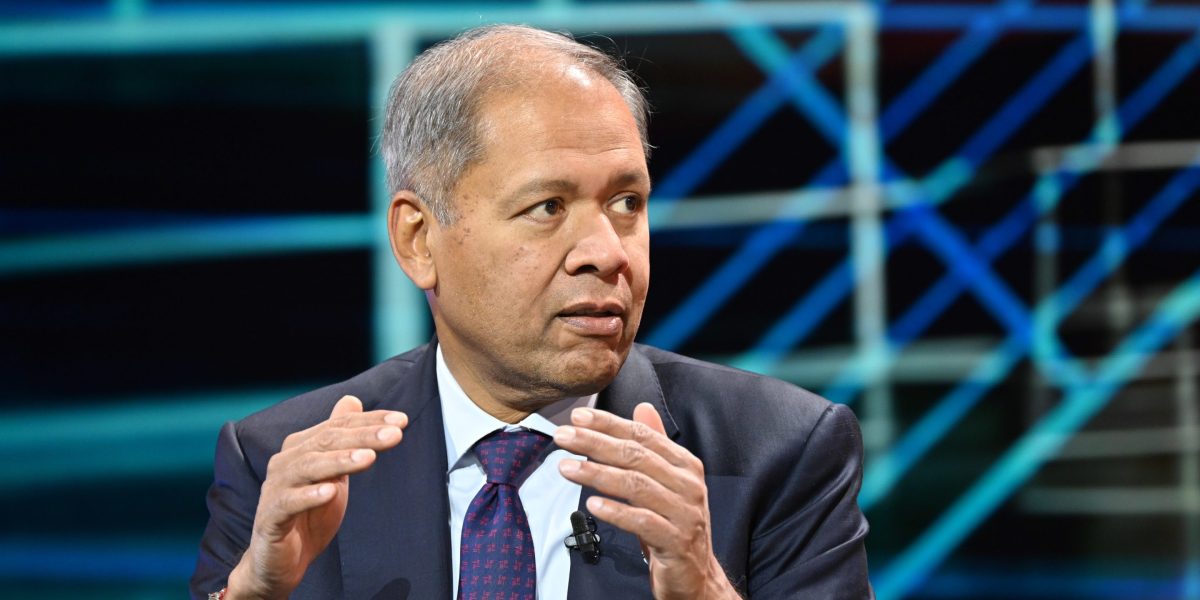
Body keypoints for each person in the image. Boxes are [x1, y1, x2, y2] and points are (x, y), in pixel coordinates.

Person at [191, 24, 871, 600]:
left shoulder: (782, 453)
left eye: (627, 203)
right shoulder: (278, 466)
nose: (608, 253)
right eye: (548, 207)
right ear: (418, 240)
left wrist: (703, 588)